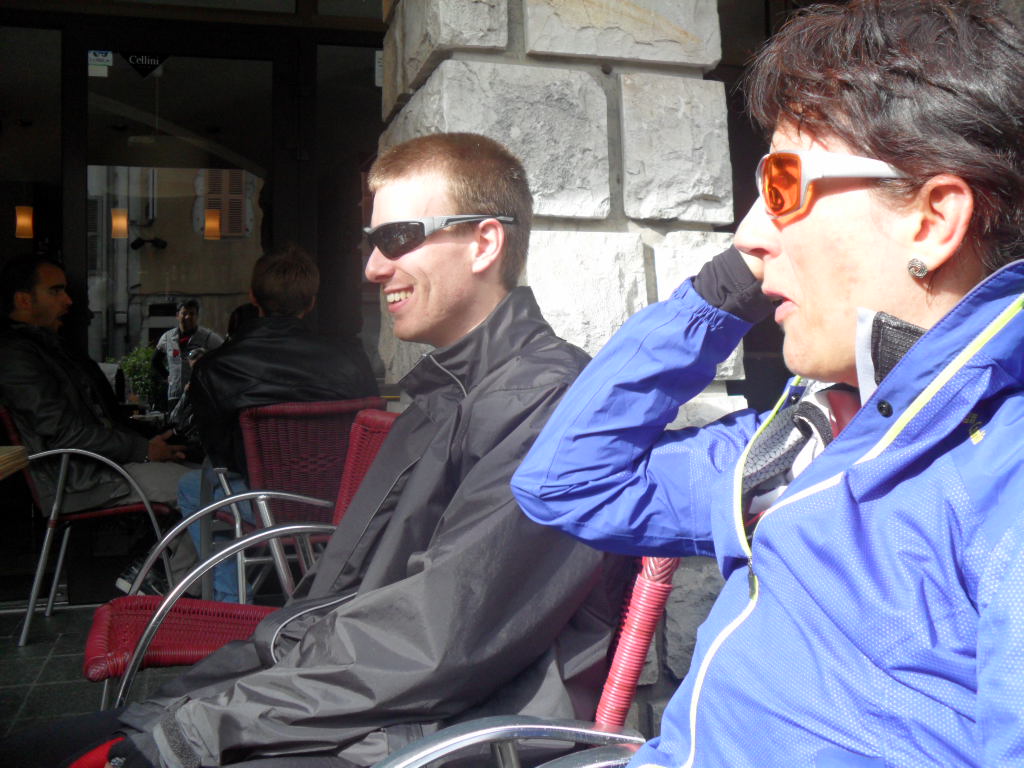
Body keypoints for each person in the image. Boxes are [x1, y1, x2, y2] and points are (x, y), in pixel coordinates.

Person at [0, 132, 626, 768]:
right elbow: (348, 605)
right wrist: (204, 705)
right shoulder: (442, 396)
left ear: (484, 243)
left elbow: (437, 641)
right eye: (369, 243)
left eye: (397, 238)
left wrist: (195, 731)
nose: (372, 268)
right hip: (350, 696)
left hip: (426, 734)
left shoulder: (544, 404)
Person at [511, 1, 1024, 766]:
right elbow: (567, 484)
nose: (750, 235)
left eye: (783, 186)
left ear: (930, 219)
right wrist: (721, 291)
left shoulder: (1002, 479)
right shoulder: (811, 437)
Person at [177, 244, 379, 602]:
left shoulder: (216, 367)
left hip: (264, 505)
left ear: (253, 297)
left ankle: (232, 603)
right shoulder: (352, 359)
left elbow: (220, 455)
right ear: (311, 302)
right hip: (342, 501)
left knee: (193, 486)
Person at [0, 254, 189, 514]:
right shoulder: (16, 356)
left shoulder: (51, 348)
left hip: (100, 470)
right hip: (82, 482)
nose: (68, 300)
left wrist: (153, 439)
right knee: (208, 489)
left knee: (209, 481)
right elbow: (64, 434)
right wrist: (144, 449)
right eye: (55, 291)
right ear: (23, 300)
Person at [151, 297, 223, 411]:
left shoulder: (208, 337)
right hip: (175, 395)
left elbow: (224, 357)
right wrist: (168, 378)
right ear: (177, 315)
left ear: (197, 316)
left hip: (199, 396)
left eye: (192, 314)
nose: (188, 317)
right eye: (184, 313)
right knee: (175, 422)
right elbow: (155, 361)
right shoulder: (168, 337)